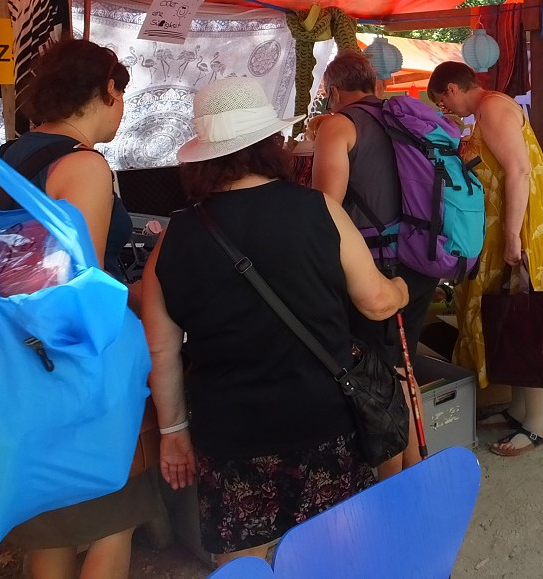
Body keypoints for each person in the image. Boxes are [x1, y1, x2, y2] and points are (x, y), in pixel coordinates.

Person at [139, 77, 409, 564]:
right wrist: (401, 288)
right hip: (324, 416)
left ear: (204, 157)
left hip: (231, 432)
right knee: (340, 552)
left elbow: (161, 349)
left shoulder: (173, 239)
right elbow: (375, 302)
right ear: (273, 145)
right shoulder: (317, 210)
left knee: (244, 563)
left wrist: (174, 432)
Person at [0, 40, 162, 579]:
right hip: (74, 367)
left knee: (52, 519)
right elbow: (80, 285)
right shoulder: (83, 165)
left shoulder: (8, 155)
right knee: (113, 515)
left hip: (14, 360)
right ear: (109, 90)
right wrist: (144, 293)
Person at [427, 62, 543, 456]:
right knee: (507, 315)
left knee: (528, 316)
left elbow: (519, 170)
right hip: (507, 222)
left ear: (454, 88)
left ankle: (536, 423)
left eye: (442, 100)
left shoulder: (491, 108)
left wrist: (512, 234)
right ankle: (517, 409)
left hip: (520, 223)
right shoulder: (490, 110)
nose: (446, 109)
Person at [311, 51, 439, 478]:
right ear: (375, 83)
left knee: (377, 377)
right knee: (402, 365)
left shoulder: (339, 124)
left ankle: (397, 483)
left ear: (332, 92)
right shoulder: (401, 117)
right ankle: (415, 471)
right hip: (422, 258)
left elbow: (325, 208)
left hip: (376, 268)